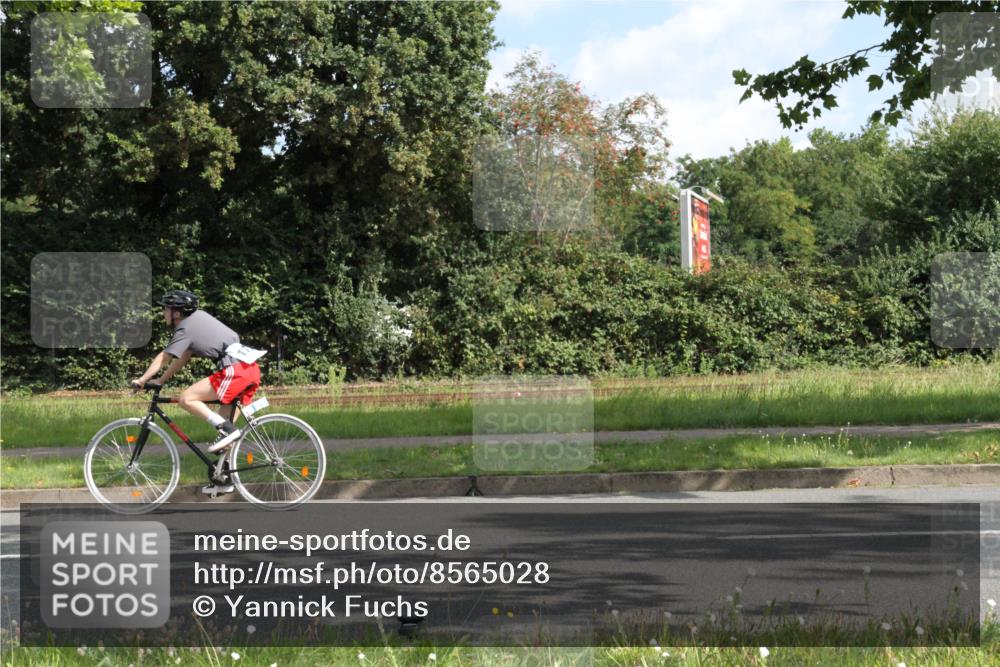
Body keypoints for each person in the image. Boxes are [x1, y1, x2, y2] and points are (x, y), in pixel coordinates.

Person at [131, 289, 263, 495]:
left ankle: (228, 429)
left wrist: (141, 380)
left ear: (177, 312)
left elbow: (163, 358)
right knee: (223, 438)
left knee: (187, 398)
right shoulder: (199, 319)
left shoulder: (185, 329)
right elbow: (181, 358)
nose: (163, 313)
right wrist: (160, 380)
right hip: (249, 370)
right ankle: (224, 479)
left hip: (234, 371)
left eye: (166, 309)